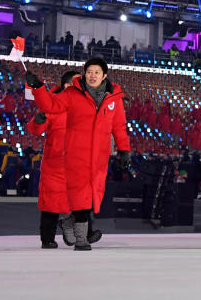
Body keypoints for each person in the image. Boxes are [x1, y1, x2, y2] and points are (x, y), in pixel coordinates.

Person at [25, 58, 131, 251]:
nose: (93, 75)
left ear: (104, 75)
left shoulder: (113, 99)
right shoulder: (72, 95)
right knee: (75, 198)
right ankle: (77, 239)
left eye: (97, 72)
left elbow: (119, 126)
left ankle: (72, 225)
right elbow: (48, 108)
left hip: (98, 157)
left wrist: (124, 149)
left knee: (91, 197)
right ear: (84, 74)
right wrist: (39, 88)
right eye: (89, 71)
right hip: (71, 156)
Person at [26, 70, 97, 248]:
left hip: (77, 162)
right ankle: (47, 238)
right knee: (51, 203)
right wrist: (39, 120)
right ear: (65, 86)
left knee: (83, 201)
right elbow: (35, 130)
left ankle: (86, 234)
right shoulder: (53, 104)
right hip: (55, 163)